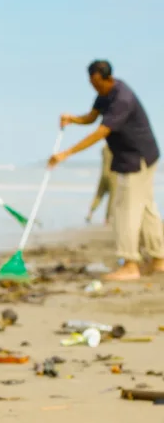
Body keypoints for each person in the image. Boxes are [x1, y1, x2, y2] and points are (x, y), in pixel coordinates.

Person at [51, 60, 164, 281]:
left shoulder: (122, 98)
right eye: (91, 83)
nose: (94, 87)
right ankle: (159, 259)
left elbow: (101, 131)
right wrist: (72, 118)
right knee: (147, 208)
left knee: (125, 210)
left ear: (107, 78)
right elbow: (92, 118)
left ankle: (130, 264)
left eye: (97, 83)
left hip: (136, 159)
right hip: (135, 157)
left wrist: (67, 153)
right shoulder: (105, 94)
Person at [86, 144, 116, 224]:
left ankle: (90, 213)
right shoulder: (115, 147)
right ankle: (108, 218)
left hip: (103, 174)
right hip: (113, 174)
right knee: (112, 197)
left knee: (98, 195)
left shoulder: (104, 149)